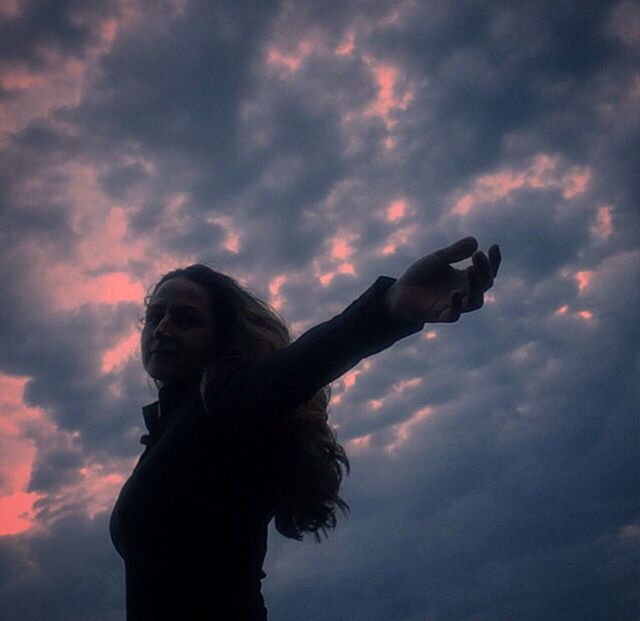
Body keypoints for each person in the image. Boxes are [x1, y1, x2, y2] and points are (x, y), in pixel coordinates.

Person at [109, 236, 501, 620]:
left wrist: (391, 307)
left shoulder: (225, 400)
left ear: (220, 338)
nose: (161, 329)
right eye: (155, 316)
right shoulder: (170, 428)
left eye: (186, 319)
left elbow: (299, 365)